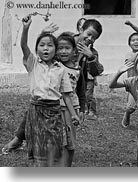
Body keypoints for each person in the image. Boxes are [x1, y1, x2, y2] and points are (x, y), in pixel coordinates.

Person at [20, 15, 80, 167]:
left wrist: (73, 114)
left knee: (54, 144)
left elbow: (66, 95)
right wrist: (26, 28)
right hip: (37, 110)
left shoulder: (61, 69)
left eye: (50, 45)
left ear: (56, 50)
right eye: (42, 45)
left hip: (54, 111)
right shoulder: (33, 63)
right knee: (37, 144)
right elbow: (24, 46)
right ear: (37, 49)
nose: (46, 48)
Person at [57, 32, 85, 167]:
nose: (63, 51)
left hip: (72, 108)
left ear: (74, 51)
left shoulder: (78, 69)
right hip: (55, 107)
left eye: (67, 48)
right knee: (59, 140)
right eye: (60, 48)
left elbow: (81, 90)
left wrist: (80, 110)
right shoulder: (54, 66)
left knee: (70, 141)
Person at [74, 19, 104, 120]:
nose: (90, 38)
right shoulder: (67, 42)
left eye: (94, 38)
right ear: (81, 29)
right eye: (89, 34)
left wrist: (91, 57)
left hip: (75, 93)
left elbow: (96, 71)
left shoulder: (92, 52)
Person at [121, 32, 138, 128]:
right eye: (133, 40)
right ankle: (127, 114)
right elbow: (130, 62)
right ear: (129, 43)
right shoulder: (129, 54)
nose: (136, 42)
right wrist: (137, 54)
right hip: (132, 84)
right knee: (131, 106)